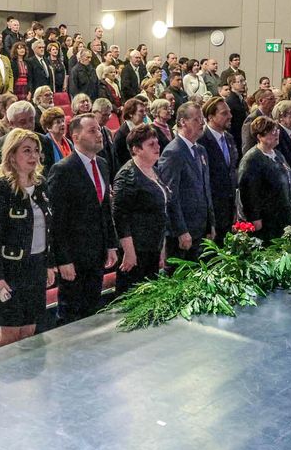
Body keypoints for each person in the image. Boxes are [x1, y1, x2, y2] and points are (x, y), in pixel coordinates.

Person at [0, 127, 56, 347]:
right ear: (12, 155)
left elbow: (48, 228)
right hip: (11, 269)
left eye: (36, 150)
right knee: (10, 331)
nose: (33, 155)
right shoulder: (1, 188)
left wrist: (49, 264)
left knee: (30, 328)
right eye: (26, 150)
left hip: (36, 265)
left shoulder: (41, 184)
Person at [49, 114, 117, 324]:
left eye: (99, 130)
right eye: (92, 130)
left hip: (97, 252)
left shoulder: (102, 164)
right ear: (76, 137)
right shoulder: (63, 169)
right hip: (74, 255)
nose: (99, 134)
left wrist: (111, 245)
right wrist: (63, 259)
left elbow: (105, 209)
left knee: (92, 309)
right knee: (70, 314)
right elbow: (57, 220)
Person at [113, 124, 184, 295]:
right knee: (132, 295)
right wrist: (129, 252)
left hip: (153, 246)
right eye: (151, 144)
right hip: (136, 250)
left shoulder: (155, 170)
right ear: (136, 149)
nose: (157, 147)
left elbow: (161, 211)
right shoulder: (127, 175)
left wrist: (161, 248)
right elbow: (120, 216)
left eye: (157, 142)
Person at [157, 102, 215, 262]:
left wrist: (210, 223)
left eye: (202, 119)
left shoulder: (200, 150)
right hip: (183, 232)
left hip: (200, 228)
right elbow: (170, 196)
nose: (202, 123)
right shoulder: (173, 152)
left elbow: (206, 189)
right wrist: (180, 230)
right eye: (196, 119)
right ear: (183, 122)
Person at [238, 116, 291, 241]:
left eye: (276, 131)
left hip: (283, 215)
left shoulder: (277, 154)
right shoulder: (252, 159)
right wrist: (255, 217)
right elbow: (249, 192)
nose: (276, 134)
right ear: (259, 136)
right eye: (271, 132)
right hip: (267, 219)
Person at [197, 97, 239, 242]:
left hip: (228, 208)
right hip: (212, 210)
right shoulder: (201, 141)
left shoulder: (229, 138)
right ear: (210, 117)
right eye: (224, 113)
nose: (230, 116)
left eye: (229, 112)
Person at [0, 101, 56, 179]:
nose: (29, 125)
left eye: (31, 120)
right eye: (23, 122)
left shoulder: (45, 141)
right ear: (11, 124)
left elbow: (50, 173)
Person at [241, 87, 278, 154]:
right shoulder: (252, 119)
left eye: (274, 99)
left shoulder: (271, 117)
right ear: (261, 101)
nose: (274, 101)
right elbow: (247, 145)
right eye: (271, 99)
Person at [113, 98, 147, 169]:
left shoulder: (144, 128)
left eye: (145, 111)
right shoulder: (121, 135)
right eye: (141, 111)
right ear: (130, 114)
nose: (145, 114)